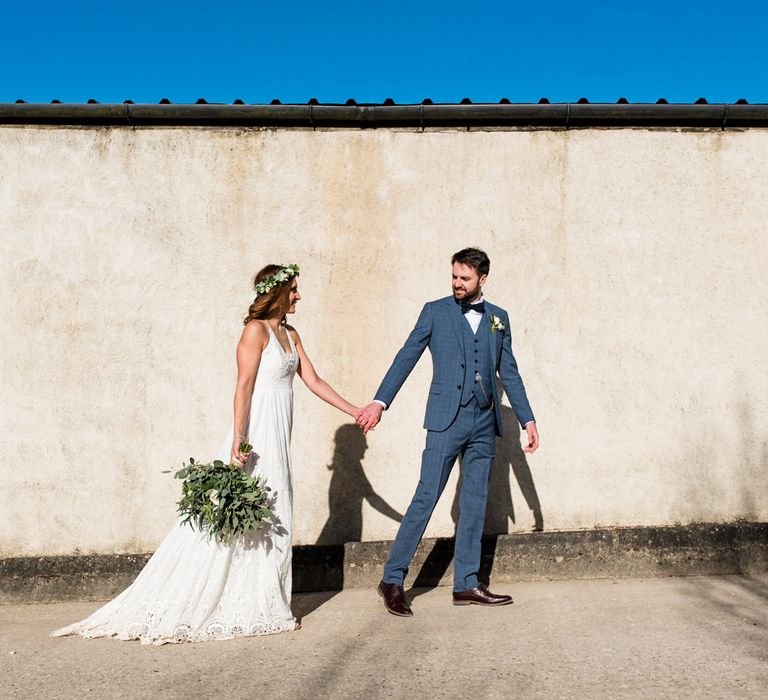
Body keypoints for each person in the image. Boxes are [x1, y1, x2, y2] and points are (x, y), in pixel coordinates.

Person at [52, 263, 361, 644]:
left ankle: (269, 602)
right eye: (294, 289)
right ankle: (228, 598)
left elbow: (312, 380)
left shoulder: (292, 334)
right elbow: (243, 386)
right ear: (277, 292)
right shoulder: (255, 331)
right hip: (257, 433)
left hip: (280, 434)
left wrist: (356, 411)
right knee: (246, 511)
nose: (299, 296)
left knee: (276, 511)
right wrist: (240, 438)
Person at [357, 248, 539, 617]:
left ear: (482, 280)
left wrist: (527, 419)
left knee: (474, 503)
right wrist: (379, 402)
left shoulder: (498, 319)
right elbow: (405, 356)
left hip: (485, 423)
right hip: (445, 420)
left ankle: (467, 583)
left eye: (465, 279)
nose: (457, 283)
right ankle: (392, 579)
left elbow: (511, 373)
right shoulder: (434, 311)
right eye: (454, 277)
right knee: (426, 497)